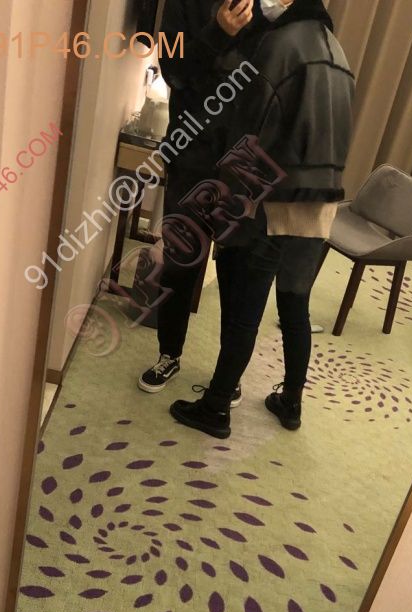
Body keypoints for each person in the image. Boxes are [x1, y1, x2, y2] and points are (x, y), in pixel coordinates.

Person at [169, 0, 354, 439]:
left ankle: (216, 407)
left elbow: (251, 132)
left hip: (276, 197)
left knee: (245, 308)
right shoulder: (337, 51)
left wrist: (231, 202)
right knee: (294, 301)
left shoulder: (280, 45)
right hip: (322, 200)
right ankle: (291, 401)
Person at [137, 0, 253, 401]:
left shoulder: (267, 8)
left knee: (238, 272)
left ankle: (228, 373)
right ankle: (169, 354)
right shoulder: (183, 4)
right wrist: (218, 32)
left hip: (247, 160)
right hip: (192, 155)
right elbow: (175, 72)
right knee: (181, 261)